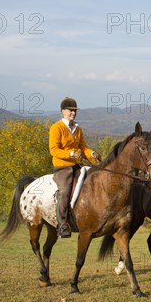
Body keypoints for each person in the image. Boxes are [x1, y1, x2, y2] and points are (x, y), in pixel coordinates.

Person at [49, 97, 101, 238]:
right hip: (62, 167)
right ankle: (62, 224)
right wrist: (71, 153)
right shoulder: (56, 128)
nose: (73, 113)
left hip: (77, 166)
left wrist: (92, 154)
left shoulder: (77, 129)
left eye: (75, 111)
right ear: (63, 111)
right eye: (71, 111)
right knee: (65, 191)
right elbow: (53, 150)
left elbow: (83, 148)